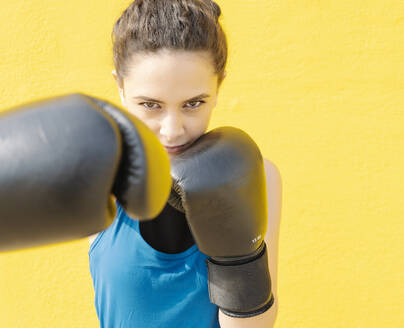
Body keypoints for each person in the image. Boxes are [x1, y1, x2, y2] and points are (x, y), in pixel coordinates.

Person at [88, 0, 282, 327]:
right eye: (151, 105)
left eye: (193, 103)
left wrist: (238, 259)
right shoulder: (100, 176)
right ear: (120, 87)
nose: (172, 130)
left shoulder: (258, 174)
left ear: (218, 86)